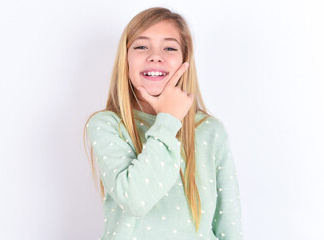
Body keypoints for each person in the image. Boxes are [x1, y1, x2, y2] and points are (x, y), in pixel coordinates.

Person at [84, 7, 243, 240]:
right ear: (125, 60)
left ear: (184, 61)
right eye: (141, 46)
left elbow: (229, 224)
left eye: (169, 48)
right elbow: (136, 200)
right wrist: (168, 121)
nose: (155, 56)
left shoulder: (210, 131)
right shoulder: (107, 125)